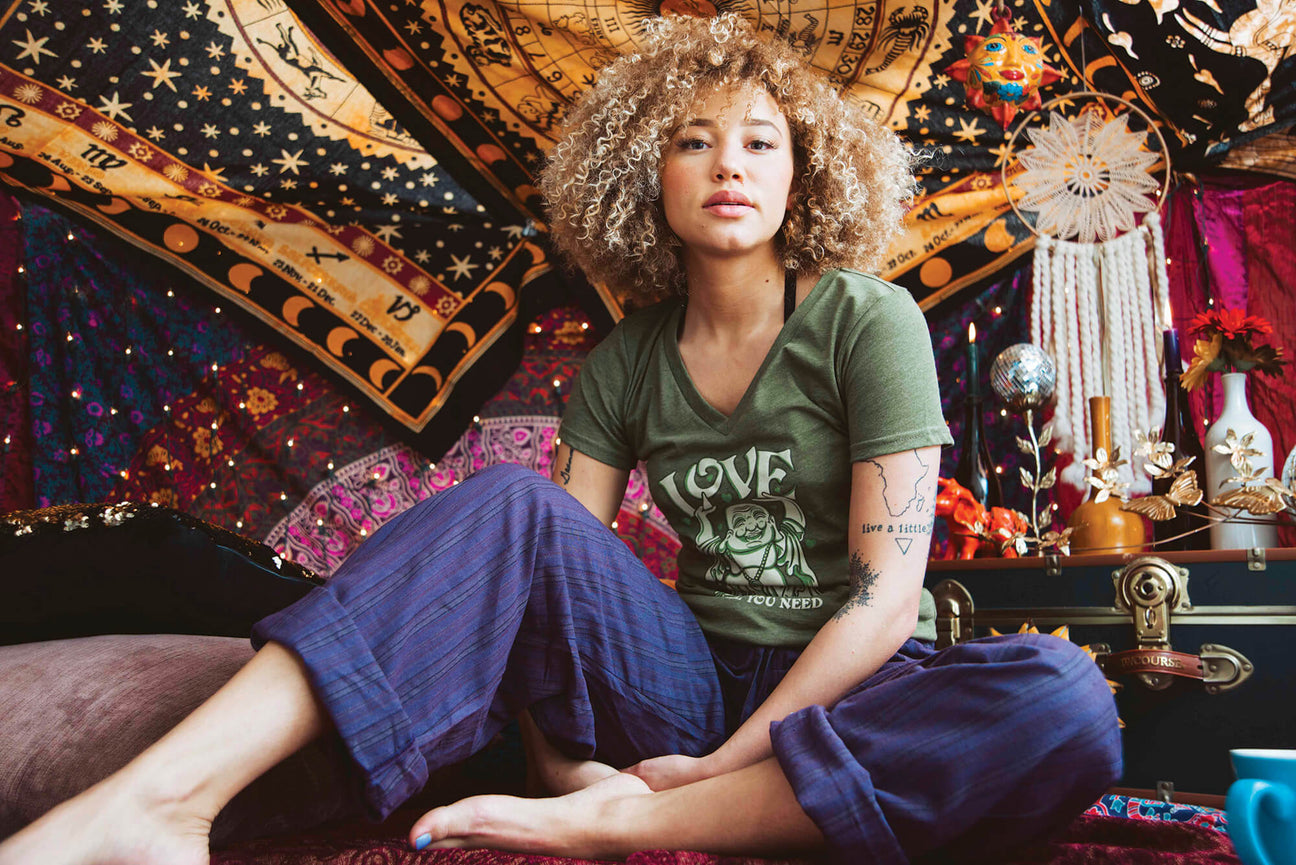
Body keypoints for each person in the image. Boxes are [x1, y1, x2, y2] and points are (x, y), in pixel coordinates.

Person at [0, 13, 1121, 865]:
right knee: (509, 503)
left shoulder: (864, 320)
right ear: (649, 176)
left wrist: (680, 780)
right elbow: (538, 580)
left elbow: (881, 603)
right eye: (695, 141)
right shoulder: (626, 360)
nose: (731, 164)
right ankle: (157, 804)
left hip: (849, 684)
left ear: (806, 173)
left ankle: (630, 827)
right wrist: (556, 759)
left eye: (762, 142)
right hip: (683, 676)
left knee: (1062, 698)